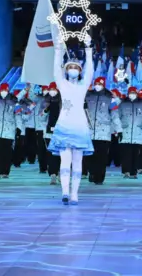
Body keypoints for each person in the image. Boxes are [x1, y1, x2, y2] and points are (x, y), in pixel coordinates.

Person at [46, 33, 94, 206]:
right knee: (64, 161)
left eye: (76, 66)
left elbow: (90, 71)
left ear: (79, 71)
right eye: (70, 66)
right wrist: (58, 48)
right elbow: (55, 70)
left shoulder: (83, 86)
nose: (73, 68)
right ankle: (65, 191)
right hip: (64, 125)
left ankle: (75, 194)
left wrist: (88, 48)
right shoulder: (62, 84)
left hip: (80, 126)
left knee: (77, 161)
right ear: (66, 70)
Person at [85, 76, 115, 184]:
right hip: (89, 131)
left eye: (100, 84)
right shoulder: (88, 95)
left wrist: (118, 130)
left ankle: (99, 178)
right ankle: (92, 172)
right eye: (96, 84)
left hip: (104, 133)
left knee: (101, 157)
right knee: (89, 156)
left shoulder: (110, 97)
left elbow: (115, 114)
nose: (97, 86)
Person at [115, 84, 142, 179]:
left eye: (134, 93)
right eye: (130, 93)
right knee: (126, 153)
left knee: (136, 154)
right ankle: (126, 171)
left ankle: (134, 172)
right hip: (125, 132)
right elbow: (117, 116)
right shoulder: (122, 104)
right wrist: (118, 129)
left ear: (137, 94)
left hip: (138, 132)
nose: (132, 94)